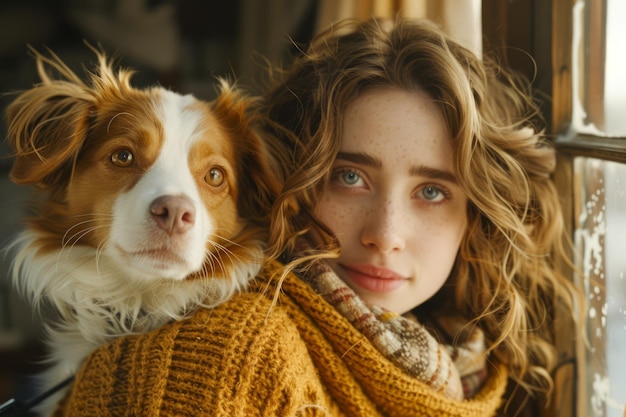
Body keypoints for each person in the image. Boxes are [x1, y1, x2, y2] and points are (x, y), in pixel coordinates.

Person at [51, 17, 578, 417]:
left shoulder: (464, 363)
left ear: (477, 216)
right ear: (288, 181)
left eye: (434, 191)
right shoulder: (229, 357)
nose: (385, 235)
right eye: (350, 177)